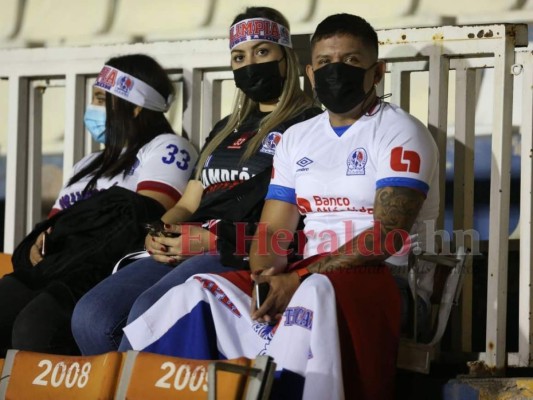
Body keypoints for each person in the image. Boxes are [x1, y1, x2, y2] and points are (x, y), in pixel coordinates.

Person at [122, 14, 440, 400]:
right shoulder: (298, 138)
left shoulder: (399, 130)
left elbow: (387, 236)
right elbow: (274, 229)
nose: (336, 71)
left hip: (385, 277)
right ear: (309, 71)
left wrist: (298, 281)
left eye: (352, 61)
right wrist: (265, 277)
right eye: (325, 62)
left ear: (377, 72)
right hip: (305, 271)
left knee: (313, 294)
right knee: (195, 292)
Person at [71, 6, 322, 355]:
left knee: (149, 318)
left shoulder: (308, 124)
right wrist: (159, 231)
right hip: (187, 242)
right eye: (239, 56)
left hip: (235, 248)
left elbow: (294, 221)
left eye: (262, 51)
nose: (250, 64)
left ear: (286, 57)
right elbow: (189, 201)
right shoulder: (224, 130)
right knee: (92, 316)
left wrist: (212, 240)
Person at [0, 53, 197, 357]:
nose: (92, 109)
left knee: (35, 327)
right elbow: (57, 225)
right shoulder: (88, 163)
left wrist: (79, 223)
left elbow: (147, 214)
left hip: (101, 272)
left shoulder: (168, 148)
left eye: (100, 99)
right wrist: (35, 247)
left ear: (134, 108)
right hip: (56, 267)